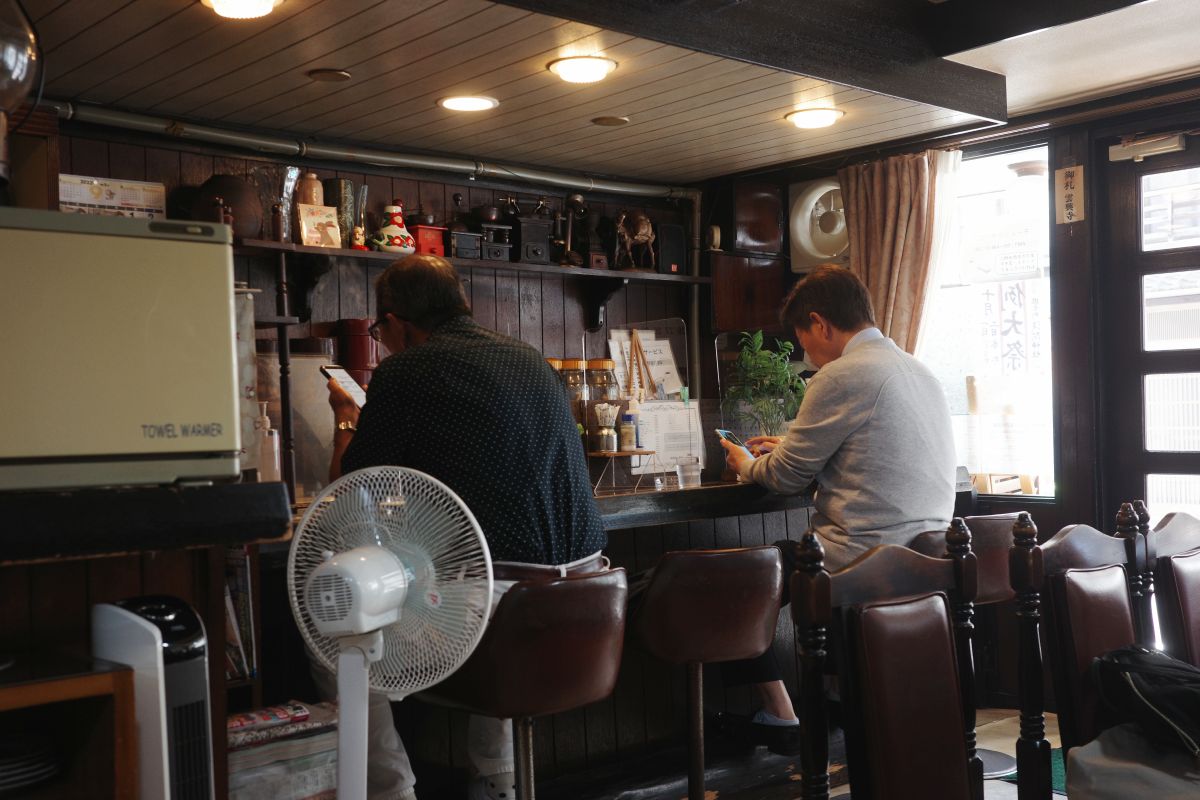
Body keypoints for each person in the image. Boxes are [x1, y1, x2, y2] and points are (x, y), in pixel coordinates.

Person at [323, 254, 607, 800]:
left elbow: (350, 485)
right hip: (589, 597)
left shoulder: (405, 371)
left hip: (501, 610)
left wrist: (344, 416)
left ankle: (392, 791)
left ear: (398, 321)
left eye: (380, 330)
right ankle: (496, 781)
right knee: (485, 583)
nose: (382, 340)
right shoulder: (529, 358)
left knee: (335, 628)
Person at [717, 264, 956, 749]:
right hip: (925, 558)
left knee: (734, 582)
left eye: (804, 341)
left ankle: (780, 714)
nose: (806, 354)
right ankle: (826, 704)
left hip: (861, 561)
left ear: (820, 323)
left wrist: (744, 463)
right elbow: (871, 448)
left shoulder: (842, 374)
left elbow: (784, 477)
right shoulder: (918, 370)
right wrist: (788, 442)